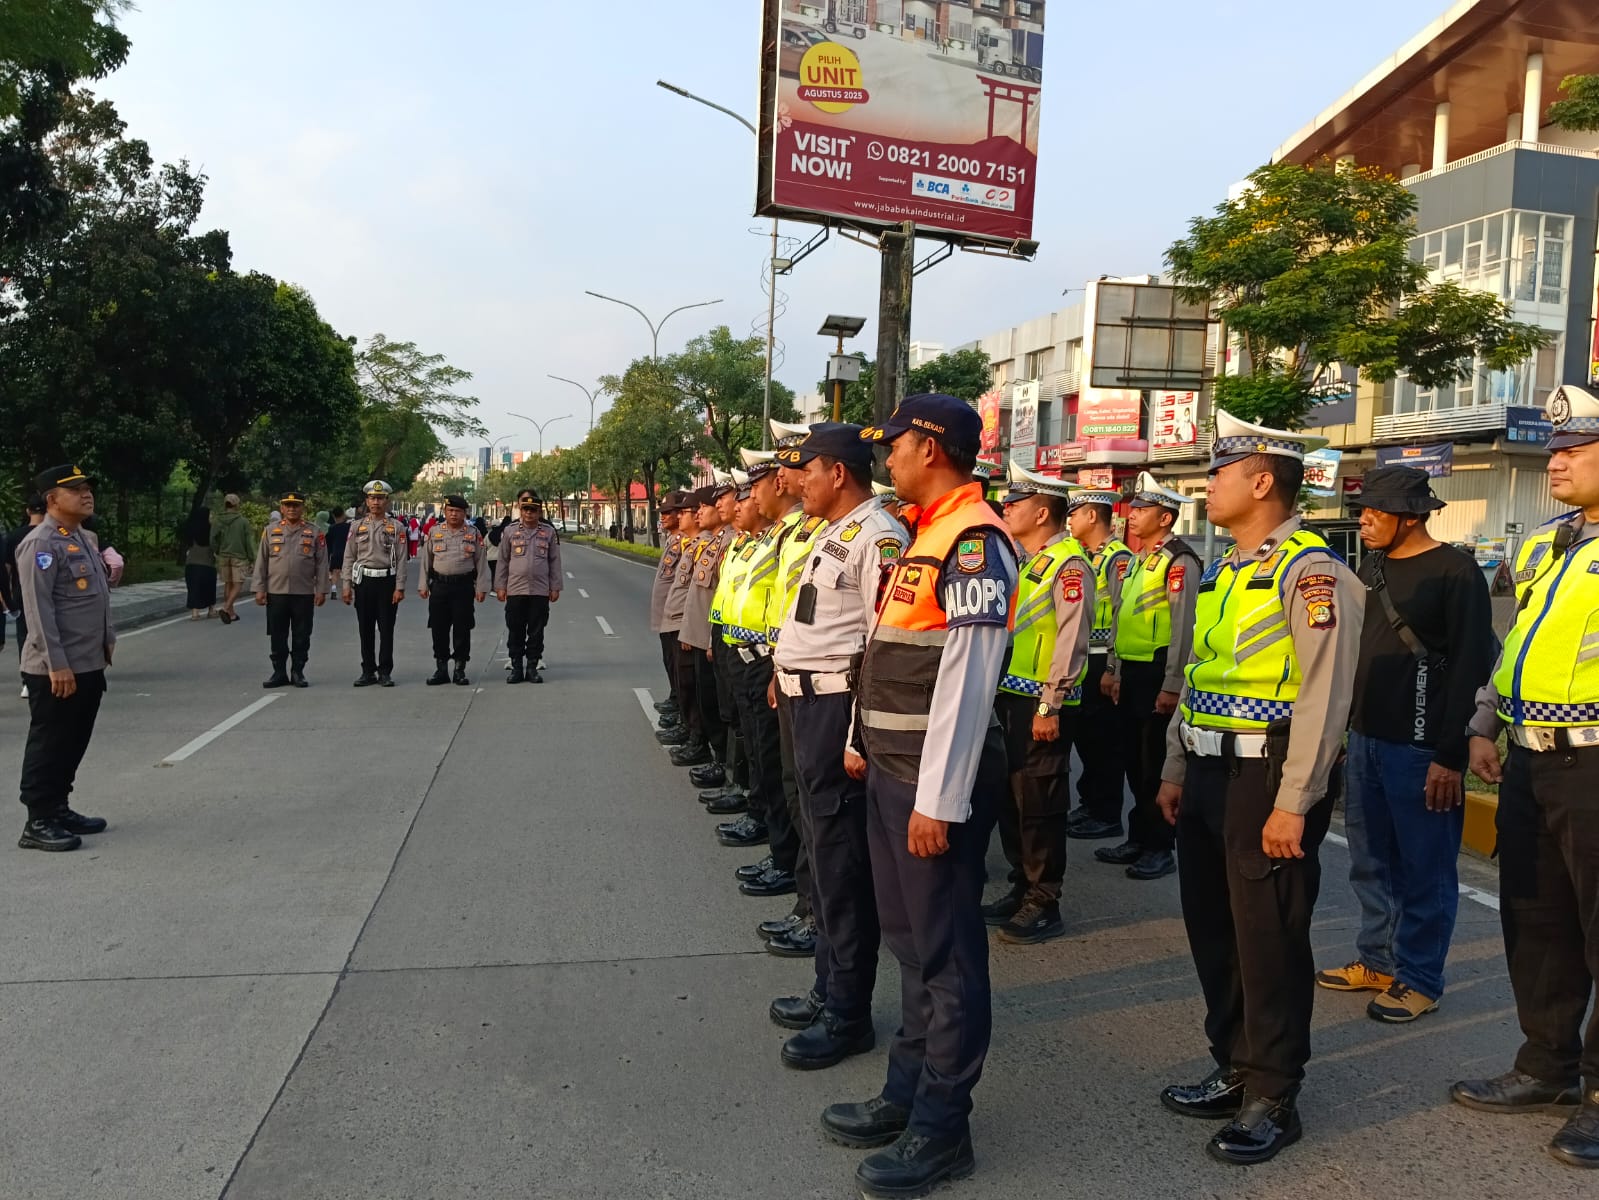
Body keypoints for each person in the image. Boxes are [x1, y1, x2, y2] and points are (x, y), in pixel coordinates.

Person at [1153, 411, 1363, 1165]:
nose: (1206, 486)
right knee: (1215, 930)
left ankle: (1273, 1091)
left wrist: (1293, 801)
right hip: (1209, 769)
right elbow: (1201, 679)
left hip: (1265, 775)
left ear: (1261, 480)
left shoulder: (1311, 574)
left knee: (1268, 938)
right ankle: (1233, 1064)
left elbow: (1325, 696)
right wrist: (1177, 769)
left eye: (1217, 473)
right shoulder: (1227, 570)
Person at [823, 395, 1016, 1199]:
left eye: (894, 443)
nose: (887, 456)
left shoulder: (974, 540)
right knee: (910, 944)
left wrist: (939, 799)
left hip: (932, 788)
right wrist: (861, 743)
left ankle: (942, 1127)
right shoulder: (927, 531)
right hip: (893, 774)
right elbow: (892, 652)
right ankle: (905, 1092)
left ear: (931, 447)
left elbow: (969, 682)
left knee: (945, 955)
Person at [1454, 383, 1599, 1169]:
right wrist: (1485, 720)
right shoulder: (1543, 544)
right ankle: (1546, 1066)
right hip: (1530, 758)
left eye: (1575, 449)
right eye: (1555, 448)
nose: (1557, 461)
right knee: (1535, 920)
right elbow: (1517, 642)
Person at [1315, 466, 1496, 1022]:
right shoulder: (1370, 566)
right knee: (1370, 862)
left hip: (1421, 748)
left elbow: (1471, 664)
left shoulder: (1456, 571)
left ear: (1412, 515)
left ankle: (1420, 977)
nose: (1363, 518)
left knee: (1425, 867)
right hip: (1367, 737)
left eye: (1375, 509)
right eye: (1363, 508)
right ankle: (1378, 960)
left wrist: (1450, 754)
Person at [768, 423, 908, 1068]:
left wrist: (856, 731)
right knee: (823, 852)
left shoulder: (879, 535)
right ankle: (830, 986)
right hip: (804, 699)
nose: (795, 482)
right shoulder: (832, 530)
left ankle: (849, 1008)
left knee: (842, 857)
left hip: (836, 707)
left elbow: (878, 642)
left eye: (806, 470)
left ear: (839, 473)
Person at [982, 460, 1093, 944]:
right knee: (1012, 799)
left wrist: (1053, 703)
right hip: (1012, 697)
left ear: (1043, 511)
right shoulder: (1030, 560)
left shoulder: (1069, 564)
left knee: (1041, 803)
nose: (1006, 508)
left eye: (1016, 502)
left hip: (1042, 705)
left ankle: (1044, 899)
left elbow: (1072, 638)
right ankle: (1020, 883)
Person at [1099, 472, 1201, 881]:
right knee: (1133, 762)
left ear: (1166, 517)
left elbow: (1183, 627)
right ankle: (1138, 836)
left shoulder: (1179, 560)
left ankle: (1160, 845)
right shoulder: (1141, 559)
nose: (1132, 516)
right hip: (1134, 671)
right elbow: (1124, 619)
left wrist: (1173, 683)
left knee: (1156, 763)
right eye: (1133, 509)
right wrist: (1116, 668)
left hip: (1159, 673)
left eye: (1142, 510)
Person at [15, 465, 114, 852]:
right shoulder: (40, 543)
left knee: (74, 739)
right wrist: (56, 663)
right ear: (52, 500)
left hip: (87, 661)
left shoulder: (82, 538)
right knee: (50, 741)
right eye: (76, 490)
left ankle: (59, 806)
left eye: (88, 488)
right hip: (56, 667)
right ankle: (37, 819)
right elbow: (38, 610)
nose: (86, 494)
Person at [1064, 486, 1134, 841]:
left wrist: (1112, 667)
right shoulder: (1085, 555)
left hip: (1100, 660)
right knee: (1087, 740)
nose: (1070, 520)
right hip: (1085, 659)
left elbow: (1122, 613)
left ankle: (1107, 813)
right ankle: (1090, 805)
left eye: (1075, 513)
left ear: (1093, 516)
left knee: (1104, 743)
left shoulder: (1117, 558)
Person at [675, 483, 734, 773]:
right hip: (701, 634)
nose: (700, 512)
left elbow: (720, 595)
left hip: (715, 637)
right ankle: (715, 756)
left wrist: (711, 638)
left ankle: (721, 761)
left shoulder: (729, 541)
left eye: (704, 506)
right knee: (705, 697)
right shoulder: (713, 542)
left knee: (717, 704)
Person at [254, 489, 329, 689]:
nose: (292, 509)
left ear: (302, 508)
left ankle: (298, 671)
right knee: (277, 634)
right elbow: (262, 561)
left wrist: (321, 589)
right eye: (288, 505)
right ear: (282, 508)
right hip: (276, 592)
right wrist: (259, 588)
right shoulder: (271, 531)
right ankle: (279, 672)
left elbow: (322, 564)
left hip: (303, 593)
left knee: (302, 634)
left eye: (296, 505)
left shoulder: (314, 532)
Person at [341, 481, 407, 688]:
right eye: (372, 498)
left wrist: (400, 586)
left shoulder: (396, 527)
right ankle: (367, 670)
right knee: (365, 628)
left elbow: (403, 558)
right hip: (364, 582)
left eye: (380, 498)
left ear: (387, 501)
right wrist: (346, 585)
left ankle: (385, 671)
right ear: (366, 501)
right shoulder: (356, 526)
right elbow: (349, 556)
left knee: (386, 629)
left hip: (386, 581)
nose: (376, 502)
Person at [419, 496, 489, 686]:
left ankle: (460, 669)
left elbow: (481, 562)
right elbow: (426, 560)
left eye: (457, 511)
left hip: (463, 587)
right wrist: (423, 584)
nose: (453, 514)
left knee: (462, 628)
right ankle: (441, 669)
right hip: (440, 586)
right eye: (450, 510)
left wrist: (481, 587)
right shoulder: (435, 532)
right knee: (438, 628)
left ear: (464, 513)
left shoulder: (473, 533)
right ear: (444, 511)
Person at [496, 491, 561, 684]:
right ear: (520, 510)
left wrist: (555, 586)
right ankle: (516, 667)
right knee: (515, 629)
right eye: (526, 509)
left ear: (539, 511)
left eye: (533, 510)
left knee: (536, 630)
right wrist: (500, 585)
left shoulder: (548, 532)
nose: (529, 513)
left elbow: (554, 561)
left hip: (540, 591)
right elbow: (503, 560)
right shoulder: (510, 531)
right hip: (516, 589)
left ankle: (532, 667)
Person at [649, 492, 688, 726]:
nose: (663, 518)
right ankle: (675, 699)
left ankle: (679, 708)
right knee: (670, 661)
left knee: (678, 666)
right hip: (666, 615)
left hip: (676, 617)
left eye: (667, 513)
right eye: (661, 513)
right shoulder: (673, 540)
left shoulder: (685, 541)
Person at [210, 493, 255, 624]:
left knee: (228, 583)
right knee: (238, 584)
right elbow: (248, 542)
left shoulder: (218, 520)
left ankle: (231, 612)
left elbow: (212, 539)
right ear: (237, 504)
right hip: (239, 556)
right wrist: (252, 558)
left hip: (223, 556)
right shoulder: (243, 521)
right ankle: (225, 608)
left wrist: (217, 550)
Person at [184, 507, 217, 620]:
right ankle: (211, 610)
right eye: (210, 515)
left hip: (191, 564)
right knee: (209, 588)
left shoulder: (190, 529)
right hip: (207, 564)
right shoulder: (211, 530)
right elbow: (215, 545)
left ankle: (195, 613)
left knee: (194, 588)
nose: (211, 517)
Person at [325, 507, 351, 598]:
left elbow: (328, 542)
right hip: (347, 552)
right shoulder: (348, 527)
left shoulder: (332, 528)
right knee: (347, 572)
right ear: (343, 514)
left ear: (333, 516)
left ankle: (334, 589)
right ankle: (346, 590)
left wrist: (329, 554)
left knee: (335, 572)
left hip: (336, 552)